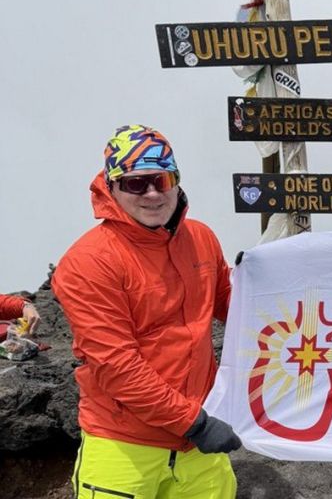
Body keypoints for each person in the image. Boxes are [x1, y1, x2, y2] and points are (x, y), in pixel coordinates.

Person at [52, 125, 241, 499]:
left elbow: (234, 307)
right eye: (136, 184)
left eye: (162, 179)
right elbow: (117, 367)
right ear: (112, 188)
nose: (153, 193)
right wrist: (196, 423)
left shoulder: (201, 238)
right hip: (124, 445)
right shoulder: (88, 262)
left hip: (198, 449)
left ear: (176, 180)